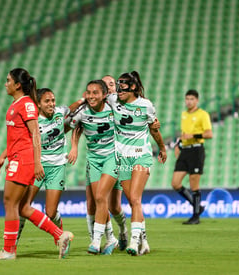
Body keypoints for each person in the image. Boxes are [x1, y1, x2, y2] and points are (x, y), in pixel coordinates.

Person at [0, 68, 73, 260]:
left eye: (8, 80)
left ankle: (9, 251)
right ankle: (60, 235)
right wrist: (4, 157)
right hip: (18, 157)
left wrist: (36, 163)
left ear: (18, 84)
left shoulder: (26, 104)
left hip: (24, 160)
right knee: (22, 207)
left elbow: (35, 134)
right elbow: (17, 137)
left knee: (11, 203)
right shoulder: (16, 104)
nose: (5, 83)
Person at [16, 88, 85, 243]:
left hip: (57, 167)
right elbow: (21, 142)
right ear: (38, 104)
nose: (52, 104)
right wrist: (8, 158)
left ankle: (60, 235)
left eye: (53, 100)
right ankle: (14, 240)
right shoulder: (32, 121)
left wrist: (83, 99)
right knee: (23, 206)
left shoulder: (60, 113)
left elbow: (72, 107)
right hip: (37, 166)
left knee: (51, 211)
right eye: (47, 101)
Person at [113, 71, 167, 256]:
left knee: (135, 198)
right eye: (117, 85)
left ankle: (134, 243)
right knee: (132, 201)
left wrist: (162, 148)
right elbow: (93, 99)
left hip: (141, 156)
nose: (119, 89)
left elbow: (154, 130)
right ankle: (144, 241)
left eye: (123, 86)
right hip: (122, 158)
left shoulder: (146, 106)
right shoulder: (113, 101)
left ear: (133, 87)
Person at [69, 80, 121, 255]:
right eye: (88, 92)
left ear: (104, 95)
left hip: (112, 157)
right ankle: (111, 238)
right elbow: (70, 124)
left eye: (95, 93)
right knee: (96, 201)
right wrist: (74, 146)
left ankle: (96, 241)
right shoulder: (83, 112)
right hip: (93, 159)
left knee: (100, 196)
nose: (91, 96)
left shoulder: (113, 108)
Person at [171, 89, 213, 225]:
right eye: (187, 99)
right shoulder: (184, 114)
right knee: (175, 183)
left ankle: (196, 216)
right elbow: (184, 134)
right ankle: (198, 207)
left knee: (194, 184)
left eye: (192, 99)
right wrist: (178, 144)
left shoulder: (203, 114)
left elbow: (209, 134)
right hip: (185, 151)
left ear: (197, 100)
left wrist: (194, 136)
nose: (189, 101)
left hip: (196, 150)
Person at [101, 75, 129, 251]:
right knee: (100, 199)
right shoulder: (97, 108)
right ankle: (109, 238)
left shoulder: (122, 105)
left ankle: (123, 230)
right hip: (103, 159)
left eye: (112, 84)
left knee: (114, 205)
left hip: (121, 158)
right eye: (105, 85)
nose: (109, 87)